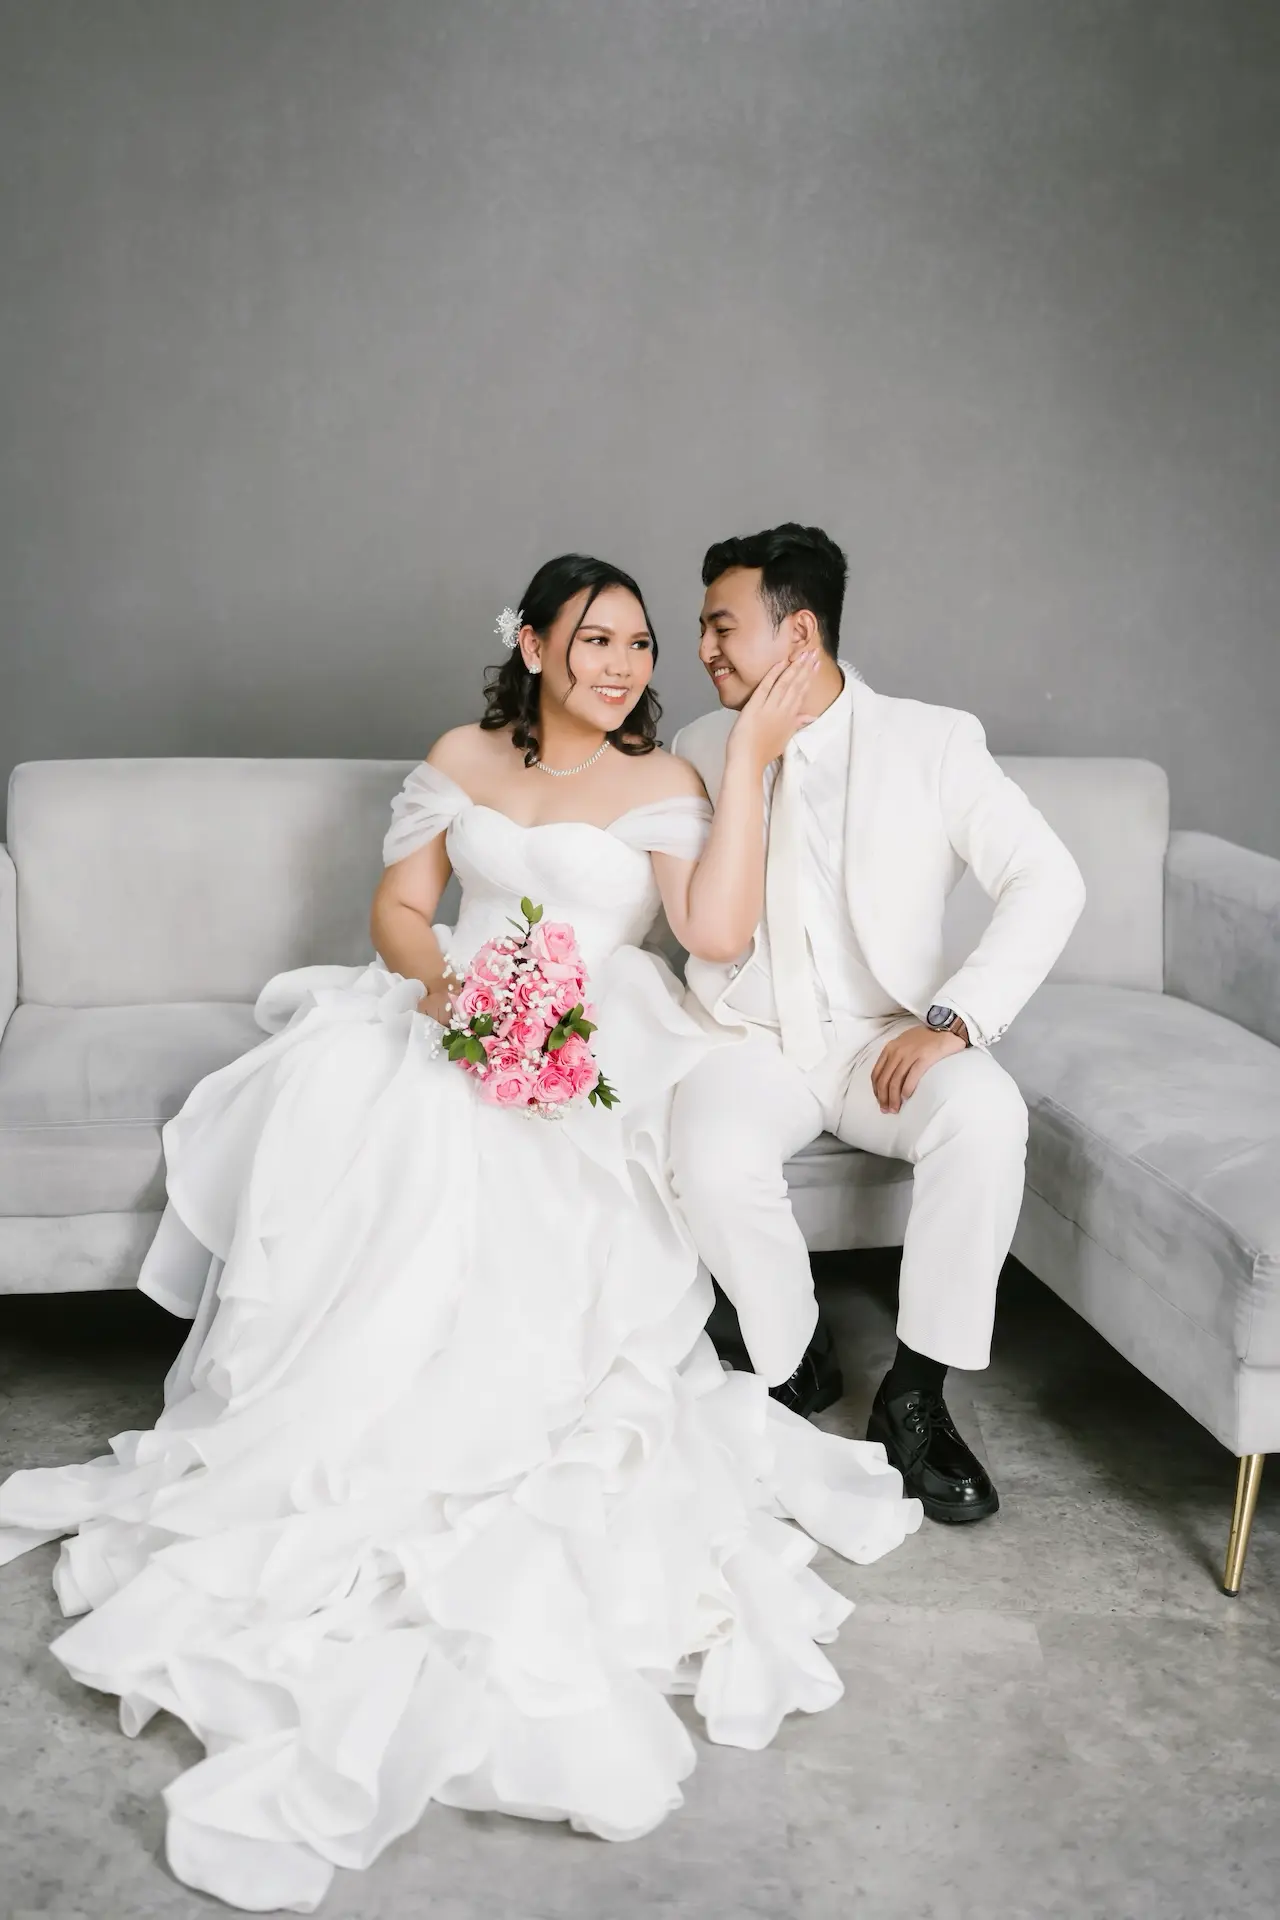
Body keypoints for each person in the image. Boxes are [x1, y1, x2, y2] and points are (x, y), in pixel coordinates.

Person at [0, 553, 920, 1915]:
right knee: (384, 1125)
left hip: (593, 1033)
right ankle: (347, 1416)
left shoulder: (665, 780)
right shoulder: (459, 758)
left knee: (536, 1178)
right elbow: (398, 913)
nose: (623, 666)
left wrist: (750, 767)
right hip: (451, 1011)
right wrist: (457, 1000)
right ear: (533, 645)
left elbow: (713, 929)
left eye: (641, 645)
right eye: (594, 639)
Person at [670, 524, 1086, 1524]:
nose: (703, 649)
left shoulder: (931, 741)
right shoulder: (695, 747)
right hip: (748, 1037)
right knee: (709, 1158)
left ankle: (915, 1396)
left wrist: (954, 1019)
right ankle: (790, 1351)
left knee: (984, 1116)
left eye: (722, 627)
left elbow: (1048, 878)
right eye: (701, 629)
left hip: (882, 1040)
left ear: (798, 633)